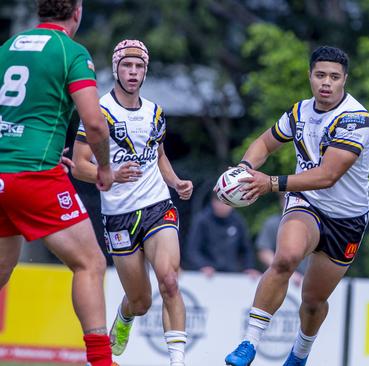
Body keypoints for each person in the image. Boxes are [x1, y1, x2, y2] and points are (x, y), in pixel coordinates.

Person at [224, 45, 369, 366]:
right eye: (320, 75)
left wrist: (271, 183)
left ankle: (300, 354)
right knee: (286, 258)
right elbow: (265, 143)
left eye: (334, 77)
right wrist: (243, 168)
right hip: (306, 203)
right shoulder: (299, 113)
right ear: (310, 76)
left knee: (313, 300)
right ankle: (249, 343)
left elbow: (328, 175)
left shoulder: (356, 121)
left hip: (347, 220)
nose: (326, 83)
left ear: (345, 80)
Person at [0, 0, 116, 365]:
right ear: (76, 12)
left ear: (40, 11)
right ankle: (101, 361)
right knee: (90, 263)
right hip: (33, 174)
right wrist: (105, 168)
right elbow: (94, 123)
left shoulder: (8, 47)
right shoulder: (71, 52)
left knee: (2, 271)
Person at [71, 40, 193, 366]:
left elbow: (159, 156)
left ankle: (177, 361)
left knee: (169, 280)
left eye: (139, 66)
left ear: (145, 70)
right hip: (119, 216)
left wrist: (175, 181)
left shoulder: (155, 112)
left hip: (157, 205)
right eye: (127, 66)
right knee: (141, 302)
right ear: (116, 69)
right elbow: (80, 165)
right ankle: (125, 315)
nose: (133, 72)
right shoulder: (99, 112)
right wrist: (108, 174)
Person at [184, 192, 259, 277]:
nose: (224, 206)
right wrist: (203, 265)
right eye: (221, 202)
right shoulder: (202, 221)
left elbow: (247, 249)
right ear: (213, 202)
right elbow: (192, 250)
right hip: (207, 276)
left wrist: (249, 267)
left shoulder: (238, 221)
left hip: (232, 274)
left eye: (228, 203)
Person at [256, 194, 307, 286]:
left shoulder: (314, 226)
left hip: (307, 281)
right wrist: (283, 270)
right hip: (278, 279)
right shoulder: (272, 224)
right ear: (281, 202)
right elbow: (264, 252)